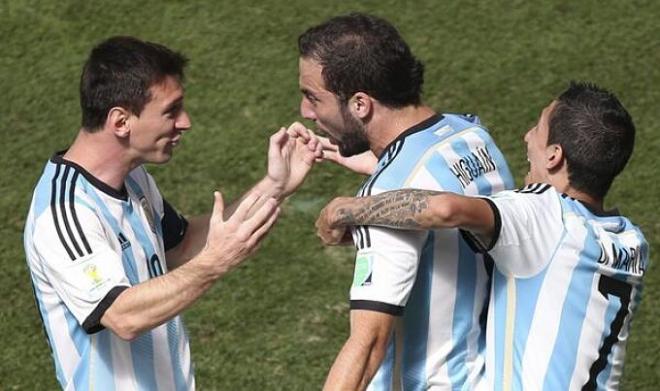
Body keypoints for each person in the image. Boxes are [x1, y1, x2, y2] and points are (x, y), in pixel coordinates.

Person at [23, 36, 321, 390]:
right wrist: (215, 263)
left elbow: (184, 245)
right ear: (120, 122)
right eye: (171, 110)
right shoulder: (63, 214)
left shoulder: (134, 180)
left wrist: (275, 185)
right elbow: (122, 315)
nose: (185, 122)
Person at [316, 82, 649, 390]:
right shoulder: (631, 242)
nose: (526, 136)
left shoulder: (544, 218)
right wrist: (377, 164)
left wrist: (346, 210)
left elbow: (446, 208)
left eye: (538, 128)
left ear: (554, 156)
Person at [298, 13, 514, 390]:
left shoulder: (384, 201)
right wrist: (380, 162)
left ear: (361, 104)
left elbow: (367, 346)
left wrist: (372, 189)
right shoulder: (471, 135)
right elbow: (432, 176)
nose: (306, 112)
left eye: (314, 98)